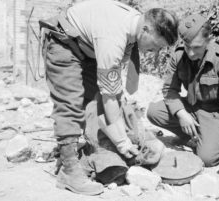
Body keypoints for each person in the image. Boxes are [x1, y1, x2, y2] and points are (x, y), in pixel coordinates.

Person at [40, 0, 178, 195]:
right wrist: (122, 142)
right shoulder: (113, 37)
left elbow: (113, 87)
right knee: (71, 103)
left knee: (90, 103)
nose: (155, 52)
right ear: (146, 30)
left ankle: (70, 151)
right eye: (155, 45)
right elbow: (109, 96)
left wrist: (123, 128)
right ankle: (69, 171)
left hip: (85, 48)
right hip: (63, 43)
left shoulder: (134, 24)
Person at [147, 14, 219, 167]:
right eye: (187, 47)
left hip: (213, 114)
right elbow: (169, 89)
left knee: (207, 159)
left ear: (208, 40)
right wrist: (181, 113)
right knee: (154, 112)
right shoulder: (178, 56)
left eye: (197, 47)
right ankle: (192, 138)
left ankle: (208, 139)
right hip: (191, 107)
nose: (191, 53)